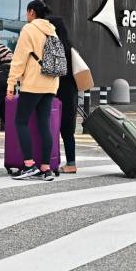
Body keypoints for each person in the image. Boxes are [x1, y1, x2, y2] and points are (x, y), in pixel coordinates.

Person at [6, 0, 59, 181]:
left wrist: (11, 84)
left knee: (20, 122)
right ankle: (46, 168)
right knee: (44, 124)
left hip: (34, 83)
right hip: (51, 83)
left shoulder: (29, 30)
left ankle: (29, 165)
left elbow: (19, 60)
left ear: (31, 12)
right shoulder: (52, 30)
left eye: (27, 12)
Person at [49, 16, 78, 174]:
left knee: (51, 127)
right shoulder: (70, 46)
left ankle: (50, 161)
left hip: (57, 91)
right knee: (68, 130)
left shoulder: (54, 46)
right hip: (71, 92)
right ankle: (71, 162)